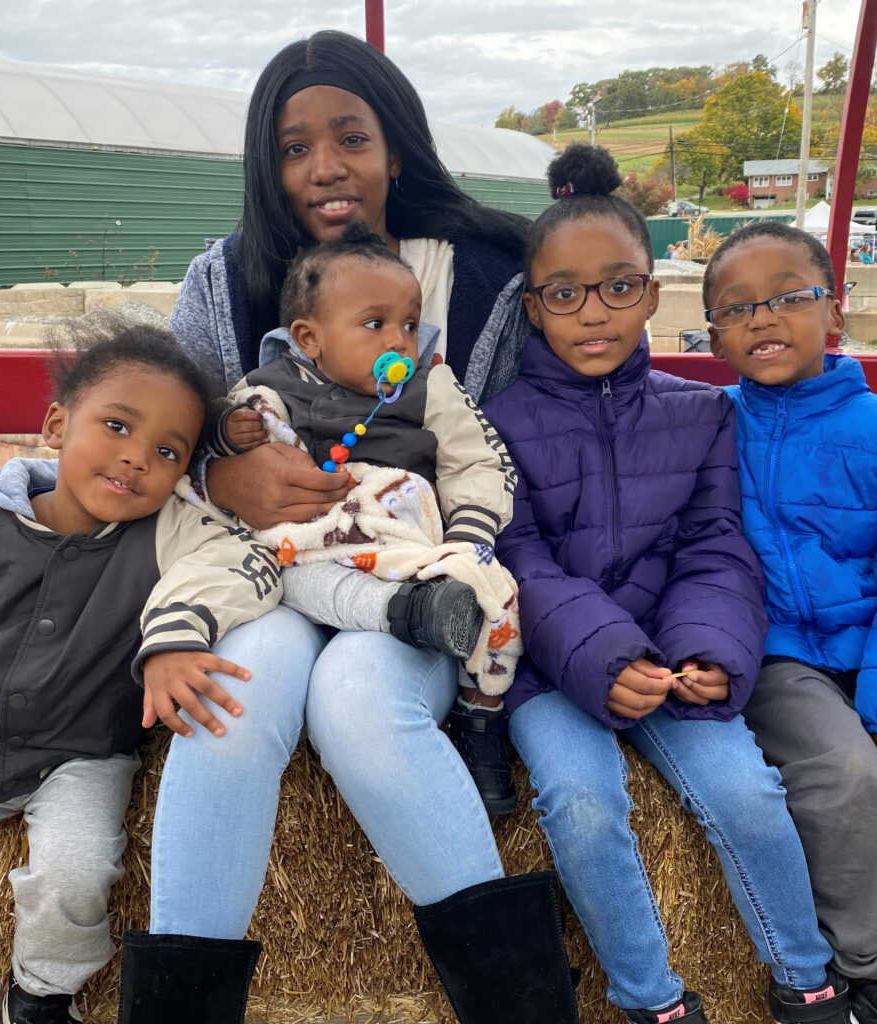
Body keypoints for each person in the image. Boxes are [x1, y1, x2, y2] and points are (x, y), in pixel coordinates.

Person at [119, 30, 580, 1024]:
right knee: (227, 707)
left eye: (349, 137)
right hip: (274, 570)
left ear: (396, 147)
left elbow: (511, 444)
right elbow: (169, 417)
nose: (323, 168)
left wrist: (464, 543)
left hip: (409, 573)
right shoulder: (229, 279)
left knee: (360, 704)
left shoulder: (491, 272)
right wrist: (220, 468)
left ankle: (524, 1009)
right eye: (292, 146)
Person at [483, 143, 849, 1024]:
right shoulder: (494, 423)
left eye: (618, 286)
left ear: (652, 293)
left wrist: (712, 649)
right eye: (564, 293)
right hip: (552, 667)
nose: (594, 312)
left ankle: (807, 983)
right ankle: (652, 1000)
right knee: (581, 802)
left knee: (749, 794)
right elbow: (516, 557)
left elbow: (717, 545)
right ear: (534, 309)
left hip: (678, 657)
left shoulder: (700, 412)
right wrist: (604, 654)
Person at [0, 320, 279, 1024]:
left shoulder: (170, 529)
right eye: (116, 425)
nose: (135, 458)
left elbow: (247, 564)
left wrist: (178, 633)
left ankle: (43, 995)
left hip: (80, 752)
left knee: (77, 875)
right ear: (57, 424)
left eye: (167, 450)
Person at [705, 219, 877, 1023]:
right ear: (712, 337)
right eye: (737, 308)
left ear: (834, 314)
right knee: (843, 773)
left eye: (787, 298)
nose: (762, 318)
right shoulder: (706, 427)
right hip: (774, 652)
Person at [209, 223, 522, 813]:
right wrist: (229, 437)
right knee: (278, 563)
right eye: (375, 324)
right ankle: (409, 615)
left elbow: (477, 462)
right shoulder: (270, 387)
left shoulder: (432, 385)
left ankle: (481, 720)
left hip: (400, 537)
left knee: (492, 596)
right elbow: (226, 444)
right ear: (310, 337)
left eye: (409, 323)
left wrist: (467, 537)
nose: (400, 341)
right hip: (314, 541)